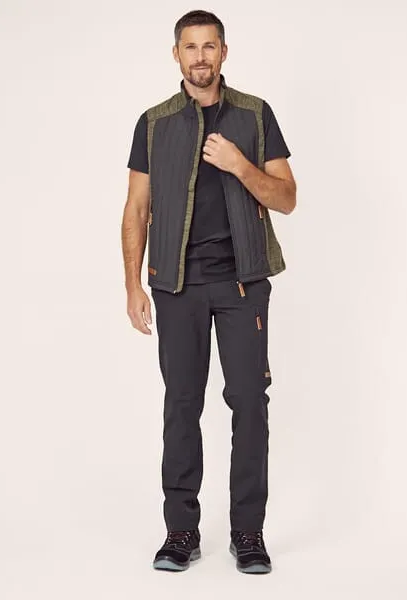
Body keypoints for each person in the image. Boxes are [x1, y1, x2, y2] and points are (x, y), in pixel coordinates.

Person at [121, 9, 296, 575]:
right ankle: (181, 531)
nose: (200, 57)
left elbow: (287, 198)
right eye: (190, 47)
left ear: (224, 52)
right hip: (176, 286)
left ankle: (248, 532)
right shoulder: (154, 123)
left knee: (249, 402)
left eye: (210, 46)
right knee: (181, 404)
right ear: (177, 54)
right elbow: (137, 209)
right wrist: (132, 285)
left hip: (243, 282)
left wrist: (240, 165)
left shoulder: (254, 114)